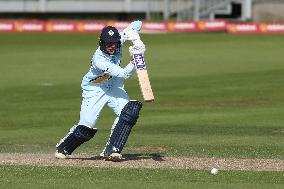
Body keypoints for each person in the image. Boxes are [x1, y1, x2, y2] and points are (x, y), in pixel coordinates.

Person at [55, 20, 146, 162]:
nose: (112, 46)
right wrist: (136, 58)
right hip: (95, 88)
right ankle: (64, 146)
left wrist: (135, 37)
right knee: (86, 127)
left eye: (114, 43)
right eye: (108, 43)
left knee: (130, 111)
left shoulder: (119, 41)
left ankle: (112, 149)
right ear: (102, 43)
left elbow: (137, 23)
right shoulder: (99, 60)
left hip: (114, 85)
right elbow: (124, 74)